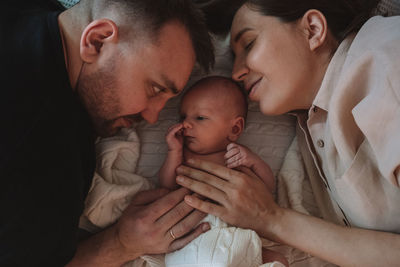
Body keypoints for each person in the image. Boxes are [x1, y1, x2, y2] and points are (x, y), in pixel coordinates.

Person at [173, 0, 400, 266]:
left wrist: (270, 218)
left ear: (313, 29)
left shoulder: (386, 56)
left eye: (249, 44)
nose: (236, 73)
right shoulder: (312, 124)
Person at [0, 0, 215, 266]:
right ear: (97, 41)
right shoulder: (49, 163)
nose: (152, 116)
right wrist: (122, 244)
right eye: (155, 89)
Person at [159, 76, 286, 266]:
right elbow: (166, 185)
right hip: (198, 237)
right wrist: (173, 151)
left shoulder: (236, 157)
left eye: (200, 117)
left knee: (278, 260)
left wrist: (252, 160)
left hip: (238, 237)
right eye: (182, 117)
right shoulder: (183, 157)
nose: (186, 124)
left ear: (234, 128)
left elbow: (266, 188)